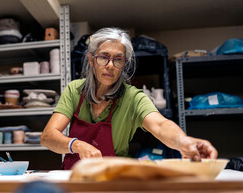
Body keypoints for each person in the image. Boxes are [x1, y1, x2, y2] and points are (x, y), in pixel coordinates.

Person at [41, 27, 218, 170]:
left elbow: (160, 125)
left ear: (124, 64)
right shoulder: (75, 90)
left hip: (113, 180)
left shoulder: (132, 97)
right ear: (91, 59)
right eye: (104, 57)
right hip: (74, 179)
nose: (110, 66)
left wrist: (184, 142)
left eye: (118, 59)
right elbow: (48, 136)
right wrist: (77, 145)